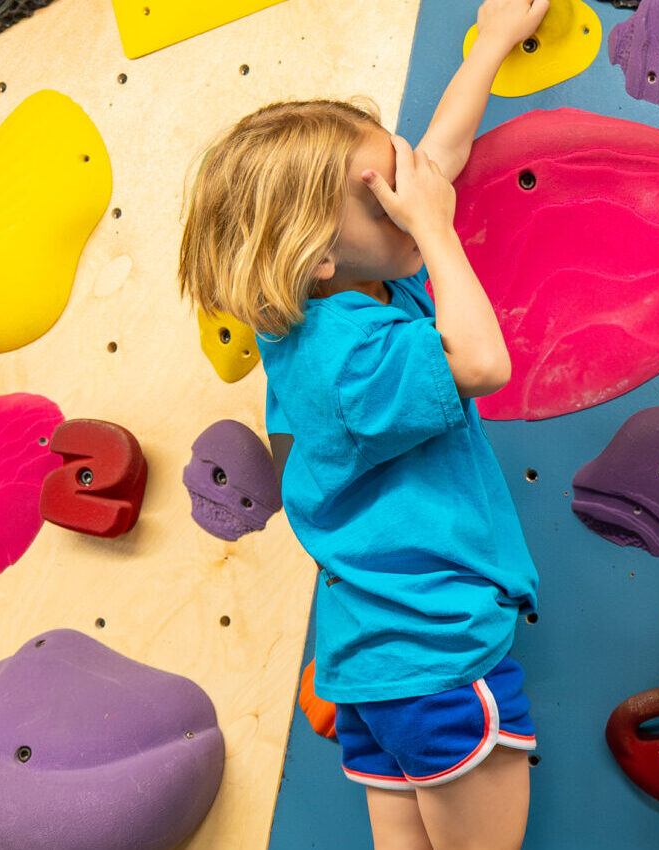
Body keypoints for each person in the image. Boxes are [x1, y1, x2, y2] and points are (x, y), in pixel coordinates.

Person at [177, 2, 551, 847]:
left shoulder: (320, 314)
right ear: (319, 251)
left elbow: (436, 163)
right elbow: (484, 363)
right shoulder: (362, 358)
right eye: (388, 203)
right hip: (442, 660)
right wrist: (436, 231)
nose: (415, 203)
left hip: (372, 672)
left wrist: (492, 41)